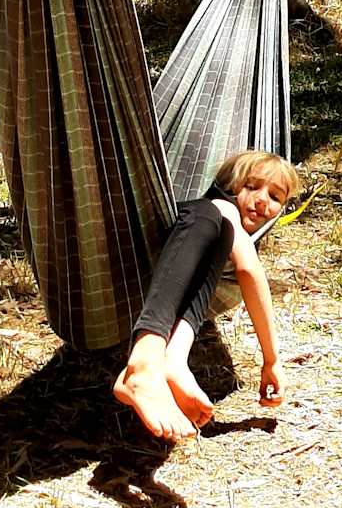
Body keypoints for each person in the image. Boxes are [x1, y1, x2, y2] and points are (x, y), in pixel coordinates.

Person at [113, 148, 297, 442]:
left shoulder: (223, 236)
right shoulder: (220, 207)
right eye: (252, 187)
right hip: (144, 253)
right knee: (214, 216)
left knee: (222, 234)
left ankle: (172, 359)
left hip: (177, 266)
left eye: (275, 197)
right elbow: (249, 271)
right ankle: (143, 362)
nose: (262, 200)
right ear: (231, 187)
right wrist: (272, 360)